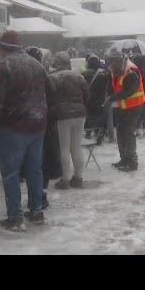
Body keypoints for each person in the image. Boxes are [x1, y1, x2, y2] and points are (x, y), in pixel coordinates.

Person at [0, 31, 54, 231]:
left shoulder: (3, 67)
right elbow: (52, 90)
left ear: (4, 48)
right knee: (34, 170)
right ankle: (36, 211)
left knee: (10, 173)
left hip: (13, 127)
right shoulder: (37, 64)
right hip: (38, 125)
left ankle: (15, 217)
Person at [49, 51, 90, 189]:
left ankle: (65, 179)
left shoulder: (54, 78)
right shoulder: (79, 76)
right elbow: (87, 94)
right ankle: (78, 178)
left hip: (63, 115)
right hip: (80, 113)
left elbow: (50, 97)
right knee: (76, 147)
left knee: (64, 148)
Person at [25, 46, 59, 209]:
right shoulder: (45, 76)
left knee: (33, 163)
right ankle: (41, 195)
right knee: (42, 162)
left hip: (29, 125)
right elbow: (53, 99)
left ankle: (36, 197)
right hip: (45, 124)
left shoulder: (23, 77)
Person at [103, 46, 145, 172]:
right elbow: (111, 84)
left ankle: (132, 162)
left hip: (134, 106)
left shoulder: (131, 70)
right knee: (120, 132)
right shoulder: (115, 68)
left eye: (112, 62)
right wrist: (108, 94)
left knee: (128, 133)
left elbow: (127, 91)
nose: (110, 64)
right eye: (109, 62)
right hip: (122, 106)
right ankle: (124, 158)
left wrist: (111, 99)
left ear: (118, 60)